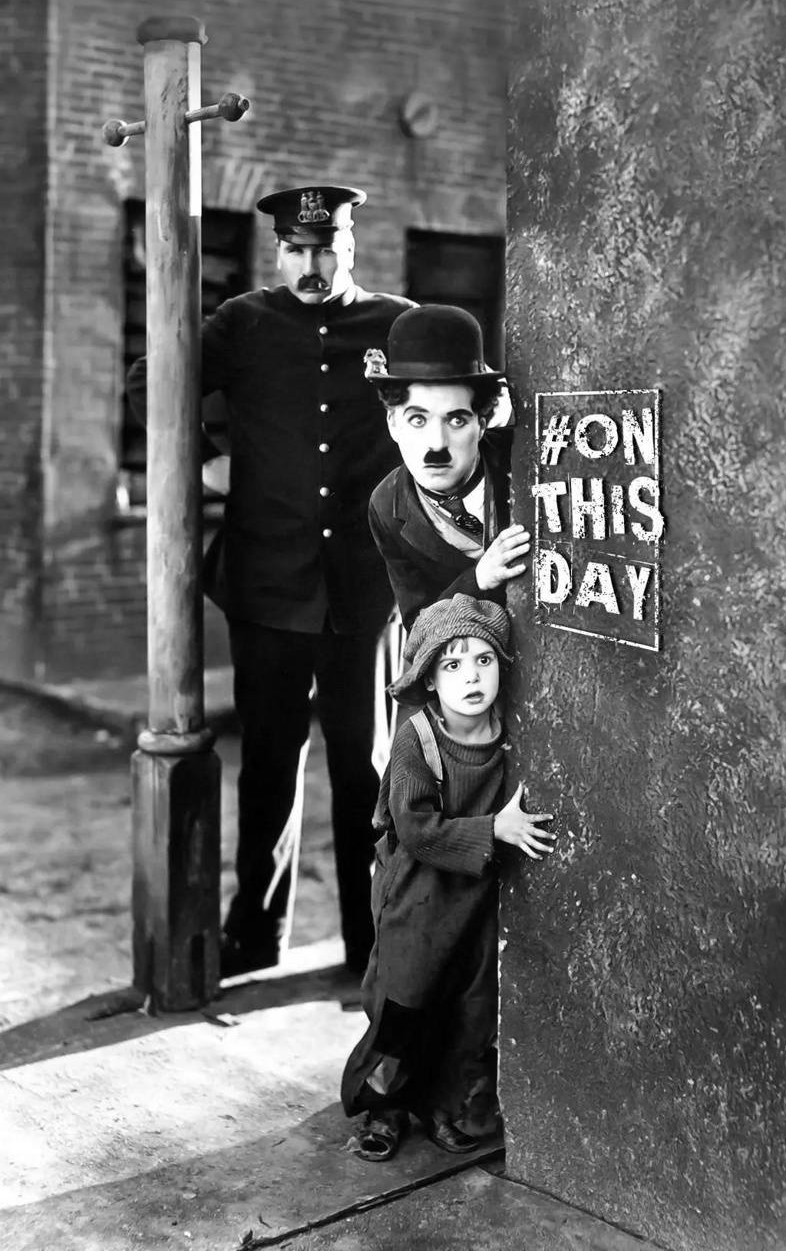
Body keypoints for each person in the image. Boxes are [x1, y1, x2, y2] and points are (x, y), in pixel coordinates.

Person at [126, 184, 416, 979]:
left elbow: (464, 398)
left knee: (365, 771)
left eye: (327, 248)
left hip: (361, 591)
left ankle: (371, 940)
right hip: (267, 585)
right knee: (268, 764)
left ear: (350, 247)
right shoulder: (245, 323)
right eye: (297, 249)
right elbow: (152, 379)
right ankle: (257, 934)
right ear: (277, 251)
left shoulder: (397, 324)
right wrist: (203, 462)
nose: (312, 264)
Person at [341, 594, 555, 1161]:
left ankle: (446, 1107)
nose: (470, 677)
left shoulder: (508, 730)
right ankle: (383, 1109)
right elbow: (414, 827)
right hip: (417, 895)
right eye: (452, 664)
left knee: (469, 1008)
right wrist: (495, 831)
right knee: (404, 1005)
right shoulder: (419, 738)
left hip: (474, 896)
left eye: (484, 660)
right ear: (430, 680)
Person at [364, 304, 531, 632]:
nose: (436, 444)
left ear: (482, 424)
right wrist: (478, 578)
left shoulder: (525, 461)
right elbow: (419, 622)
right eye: (418, 419)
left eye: (456, 419)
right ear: (393, 424)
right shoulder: (386, 506)